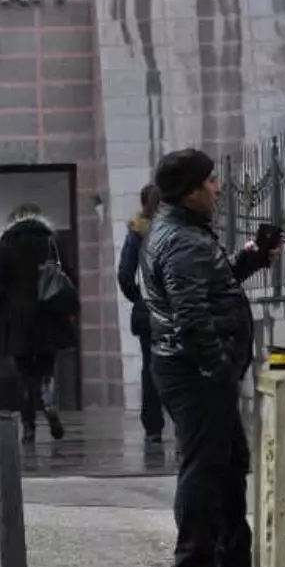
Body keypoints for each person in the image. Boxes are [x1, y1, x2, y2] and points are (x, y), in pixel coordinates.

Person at [141, 148, 277, 567]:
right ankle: (194, 566)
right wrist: (217, 368)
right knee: (204, 466)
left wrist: (251, 258)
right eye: (211, 182)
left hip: (196, 369)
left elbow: (212, 285)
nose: (218, 189)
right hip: (194, 372)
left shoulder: (184, 232)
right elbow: (191, 315)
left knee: (228, 464)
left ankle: (231, 562)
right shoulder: (181, 240)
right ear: (192, 192)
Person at [0, 204, 77, 444]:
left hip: (17, 320)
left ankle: (28, 427)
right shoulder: (50, 243)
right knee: (46, 368)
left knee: (25, 375)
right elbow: (68, 275)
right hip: (49, 316)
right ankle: (49, 401)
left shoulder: (6, 245)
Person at [118, 184, 167, 444]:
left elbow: (125, 273)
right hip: (177, 307)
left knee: (151, 367)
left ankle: (153, 427)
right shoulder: (178, 226)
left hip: (148, 311)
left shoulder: (138, 230)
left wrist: (138, 298)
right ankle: (181, 422)